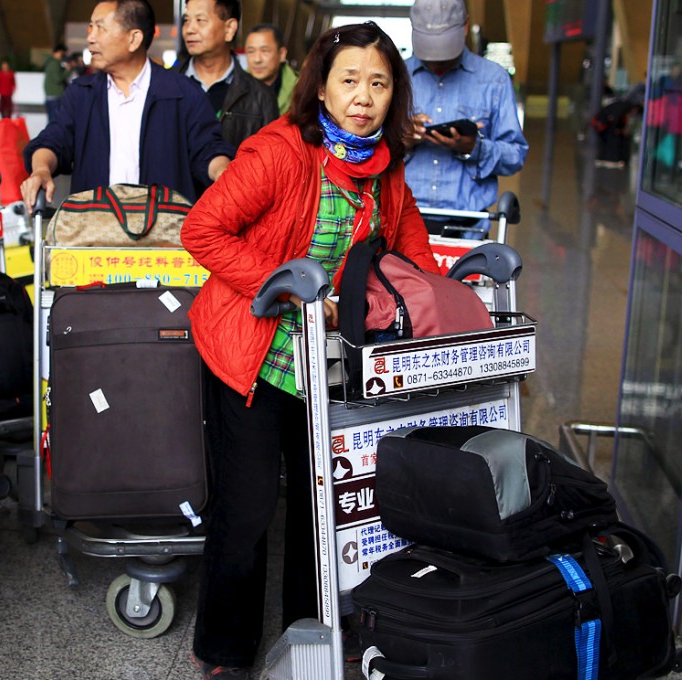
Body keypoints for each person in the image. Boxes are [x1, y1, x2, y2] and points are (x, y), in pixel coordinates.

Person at [182, 22, 438, 679]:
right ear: (320, 88)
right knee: (245, 507)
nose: (363, 96)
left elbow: (414, 257)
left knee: (319, 502)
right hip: (251, 352)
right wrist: (281, 286)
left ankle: (310, 634)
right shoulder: (279, 153)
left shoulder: (384, 169)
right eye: (349, 80)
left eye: (378, 83)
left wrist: (447, 310)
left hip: (323, 366)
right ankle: (224, 651)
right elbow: (202, 230)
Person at [21, 0, 234, 208]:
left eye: (101, 28)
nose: (90, 38)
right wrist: (41, 170)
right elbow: (53, 141)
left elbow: (208, 150)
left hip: (163, 234)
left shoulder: (182, 94)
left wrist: (222, 172)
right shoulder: (82, 94)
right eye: (91, 27)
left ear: (134, 39)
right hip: (95, 231)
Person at [405, 0, 528, 239]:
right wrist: (400, 138)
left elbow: (515, 155)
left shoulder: (494, 80)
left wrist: (475, 148)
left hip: (468, 228)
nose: (437, 59)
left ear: (464, 27)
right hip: (403, 221)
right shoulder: (397, 76)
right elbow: (365, 150)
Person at [176, 0, 279, 151]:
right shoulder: (166, 87)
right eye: (186, 20)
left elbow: (269, 161)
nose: (189, 29)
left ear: (229, 28)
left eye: (200, 20)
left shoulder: (262, 97)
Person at [244, 23, 298, 115]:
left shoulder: (300, 89)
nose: (257, 59)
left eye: (265, 51)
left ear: (281, 54)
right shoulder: (235, 85)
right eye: (251, 51)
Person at [43, 44, 69, 124]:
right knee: (55, 122)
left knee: (52, 121)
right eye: (63, 53)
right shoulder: (55, 63)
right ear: (59, 52)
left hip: (51, 96)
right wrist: (67, 70)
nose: (63, 56)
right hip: (55, 96)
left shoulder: (50, 62)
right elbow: (58, 79)